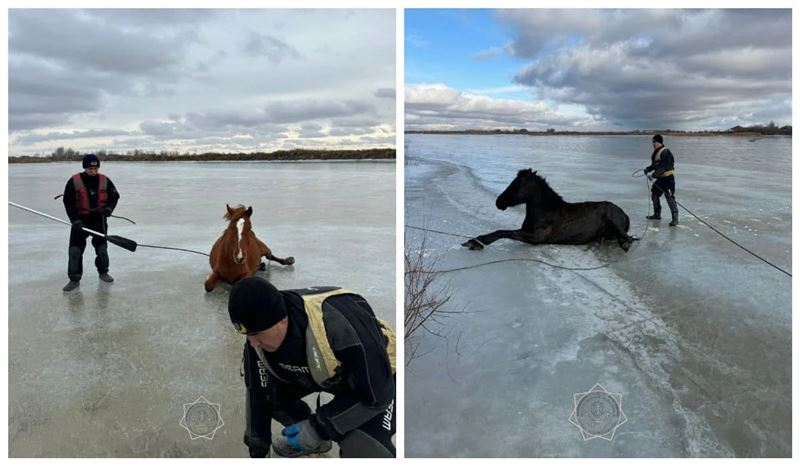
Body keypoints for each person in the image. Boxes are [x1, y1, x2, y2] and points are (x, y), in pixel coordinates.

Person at [228, 276, 396, 458]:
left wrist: (318, 428)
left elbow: (378, 396)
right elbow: (258, 394)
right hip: (325, 373)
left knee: (364, 447)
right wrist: (257, 450)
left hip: (378, 377)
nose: (253, 343)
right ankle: (315, 442)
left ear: (281, 320)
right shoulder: (259, 335)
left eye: (256, 334)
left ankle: (317, 435)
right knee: (271, 396)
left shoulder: (338, 325)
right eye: (247, 335)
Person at [61, 154, 120, 292]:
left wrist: (109, 209)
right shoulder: (74, 181)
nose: (93, 171)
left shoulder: (105, 180)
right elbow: (68, 202)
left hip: (99, 220)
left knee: (102, 250)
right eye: (90, 168)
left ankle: (103, 272)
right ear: (85, 167)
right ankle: (74, 279)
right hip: (80, 221)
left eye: (95, 168)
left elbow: (115, 197)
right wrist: (74, 219)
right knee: (75, 251)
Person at [643, 134, 679, 226]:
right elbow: (655, 165)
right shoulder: (656, 152)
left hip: (668, 179)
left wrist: (654, 175)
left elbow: (665, 167)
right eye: (652, 142)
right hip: (660, 179)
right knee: (654, 195)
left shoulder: (666, 152)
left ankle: (675, 219)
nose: (652, 144)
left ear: (658, 142)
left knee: (670, 199)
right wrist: (648, 169)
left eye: (653, 142)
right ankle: (657, 214)